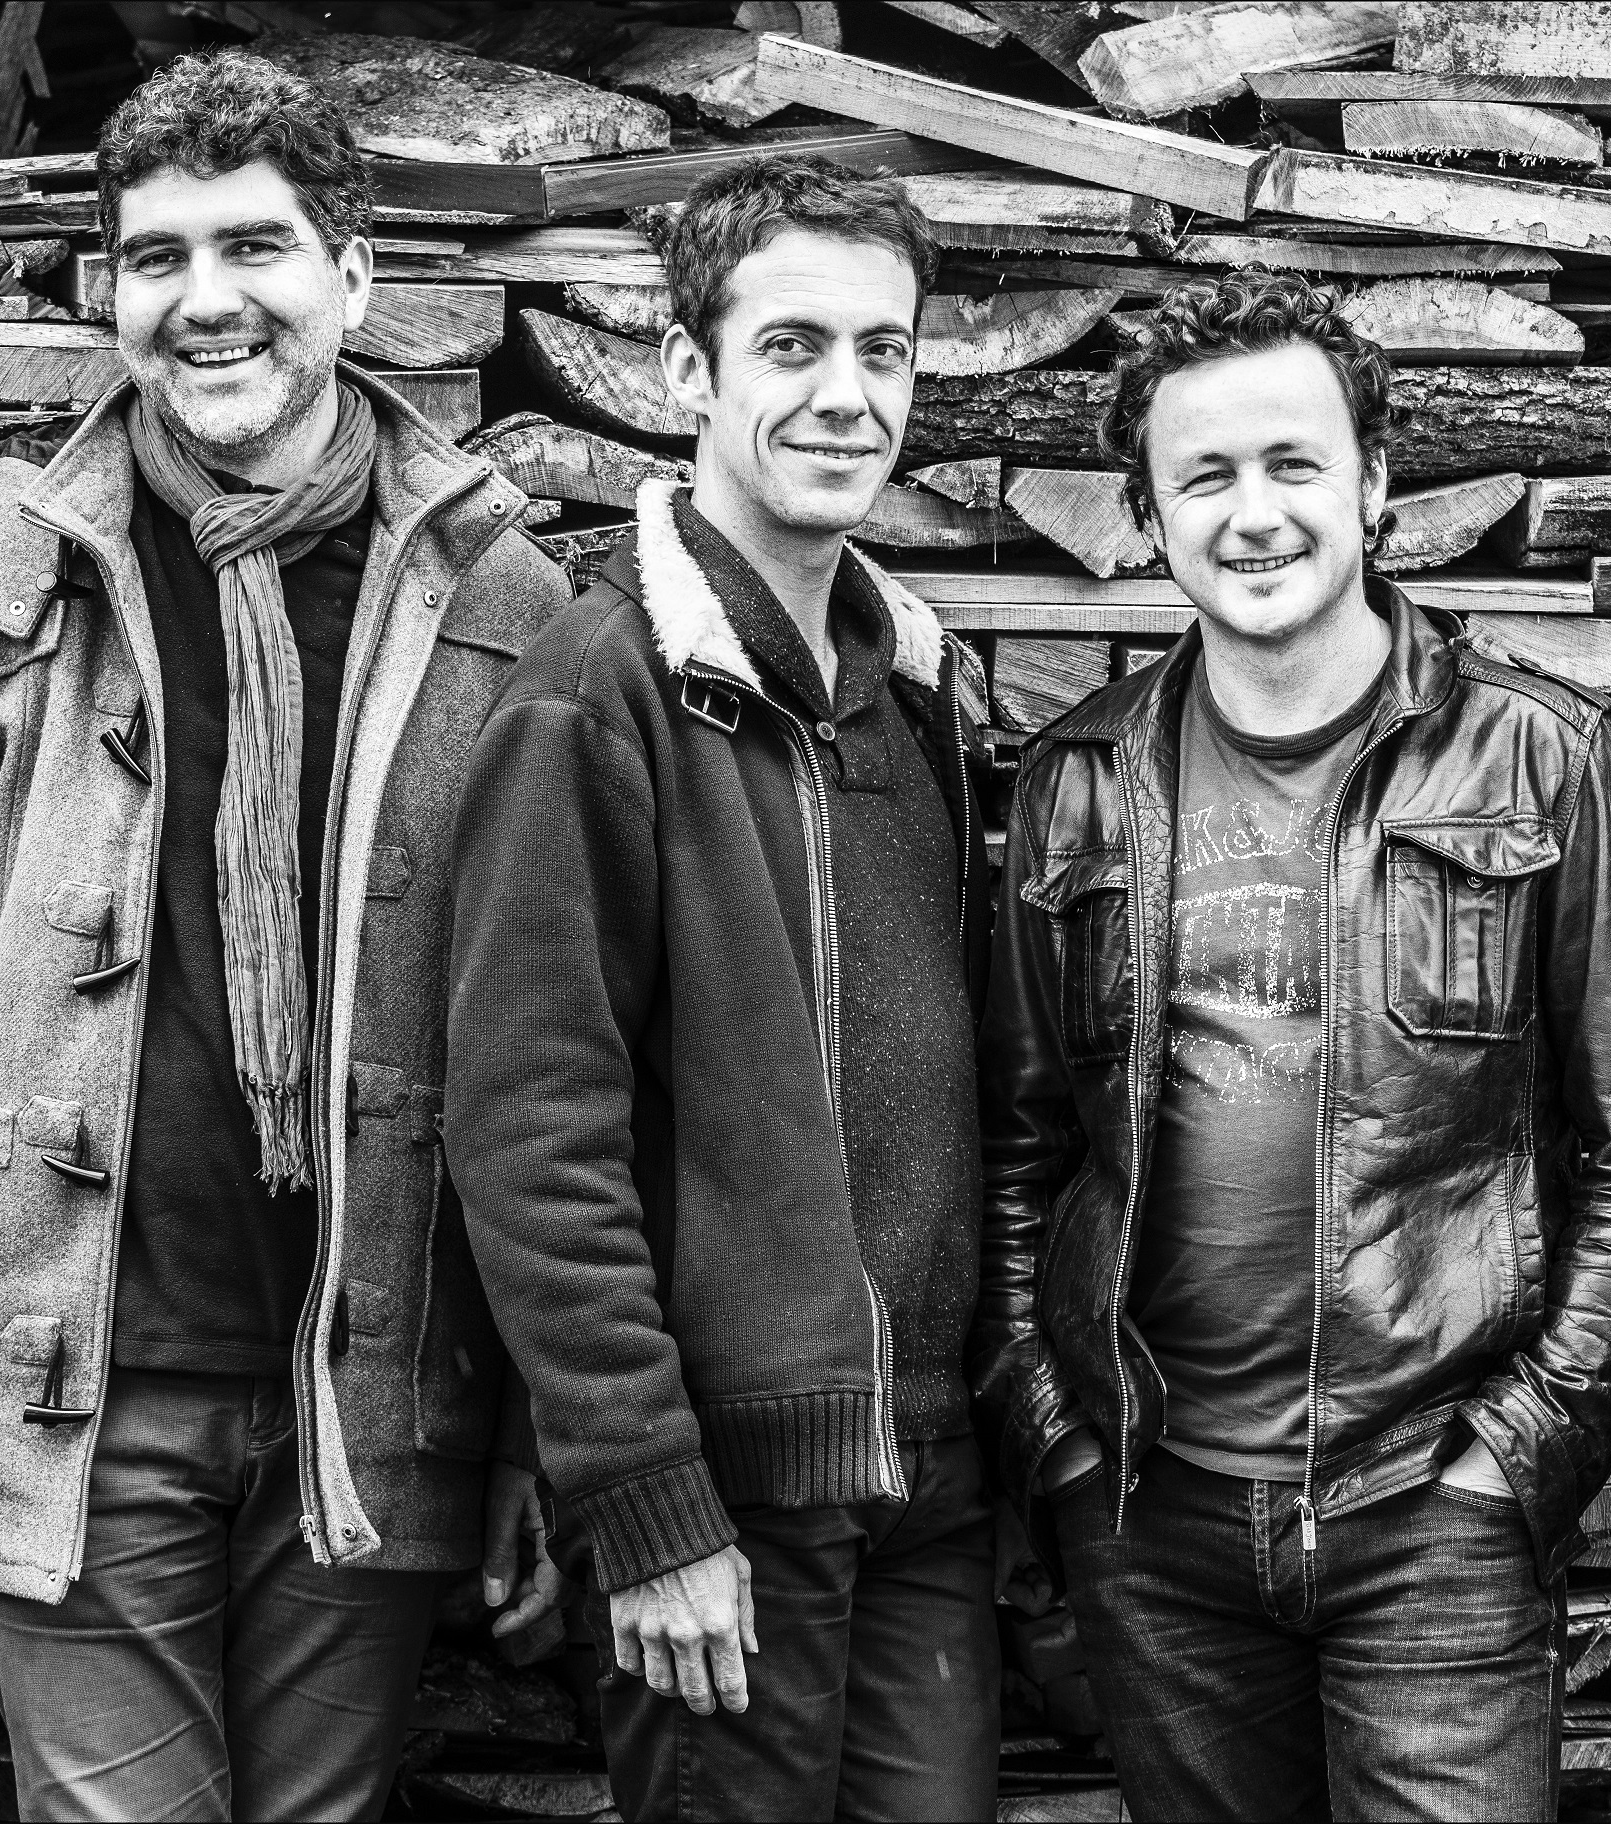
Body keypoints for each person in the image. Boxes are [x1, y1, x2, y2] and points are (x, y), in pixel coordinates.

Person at [0, 47, 570, 1823]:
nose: (205, 300)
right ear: (107, 291)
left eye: (255, 247)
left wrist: (527, 1426)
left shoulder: (499, 596)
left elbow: (546, 1043)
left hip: (373, 1392)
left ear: (356, 274)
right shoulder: (0, 571)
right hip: (74, 1383)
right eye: (158, 257)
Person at [974, 270, 1611, 1821]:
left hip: (1434, 1506)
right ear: (1148, 519)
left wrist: (1522, 1455)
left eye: (1294, 463)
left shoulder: (1543, 757)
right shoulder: (1076, 780)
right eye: (1205, 476)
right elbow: (1022, 1148)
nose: (1255, 514)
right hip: (1153, 1518)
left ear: (1373, 486)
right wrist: (1056, 1438)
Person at [445, 155, 998, 1822]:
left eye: (884, 352)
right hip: (726, 1498)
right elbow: (533, 1132)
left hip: (929, 1478)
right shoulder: (595, 694)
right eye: (793, 347)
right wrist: (647, 1501)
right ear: (688, 370)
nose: (847, 396)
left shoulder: (914, 694)